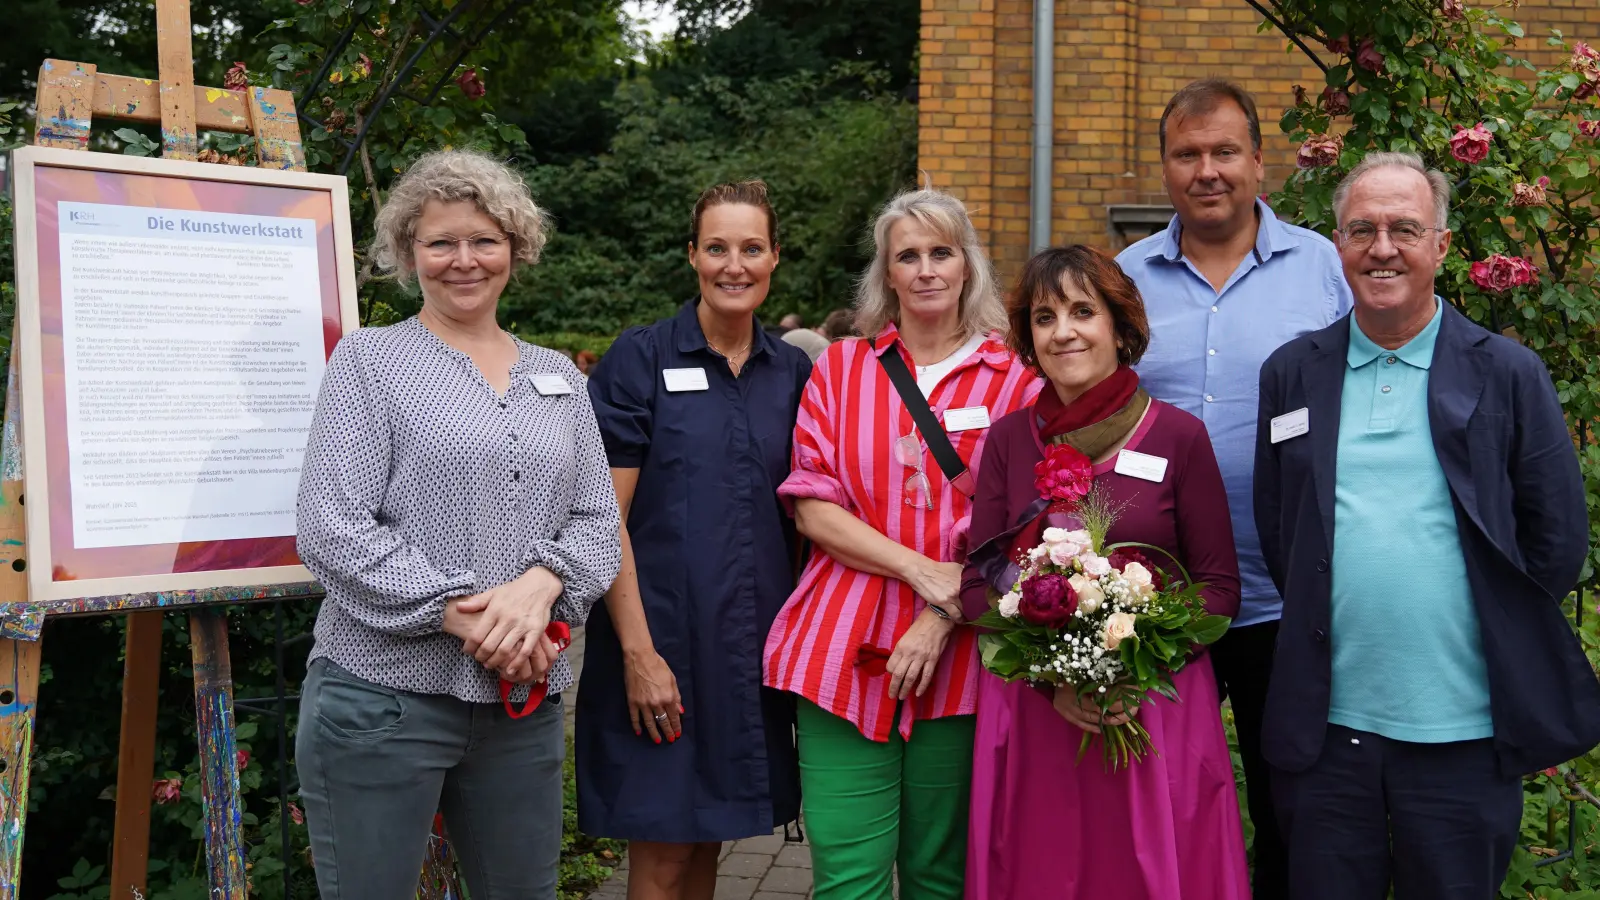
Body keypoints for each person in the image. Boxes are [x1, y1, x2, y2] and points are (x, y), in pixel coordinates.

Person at [1254, 151, 1600, 899]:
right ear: (1338, 244)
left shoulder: (1506, 372)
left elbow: (1556, 539)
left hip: (1463, 732)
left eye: (1405, 229)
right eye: (1362, 229)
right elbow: (1281, 527)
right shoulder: (1292, 372)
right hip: (1325, 732)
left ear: (1441, 245)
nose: (1383, 248)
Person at [295, 149, 622, 899]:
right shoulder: (369, 362)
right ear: (410, 254)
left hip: (522, 708)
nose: (463, 260)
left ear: (516, 247)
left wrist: (542, 587)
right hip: (384, 700)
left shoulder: (561, 378)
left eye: (485, 239)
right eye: (441, 241)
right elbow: (331, 525)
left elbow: (598, 521)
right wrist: (468, 616)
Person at [763, 188, 1040, 900]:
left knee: (940, 876)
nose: (925, 270)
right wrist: (922, 572)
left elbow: (1024, 522)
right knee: (848, 879)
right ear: (886, 272)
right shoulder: (842, 368)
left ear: (967, 264)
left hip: (965, 655)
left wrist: (944, 610)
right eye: (907, 256)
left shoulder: (1016, 380)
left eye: (940, 252)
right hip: (840, 648)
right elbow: (813, 507)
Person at [1113, 78, 1352, 898]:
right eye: (1187, 154)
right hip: (1151, 601)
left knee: (1292, 801)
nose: (1206, 170)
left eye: (1223, 152)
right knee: (1155, 801)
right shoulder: (1124, 279)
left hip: (1285, 595)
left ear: (1258, 160)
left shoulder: (1326, 269)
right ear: (1165, 167)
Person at [962, 246, 1249, 899]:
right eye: (1044, 316)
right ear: (1029, 340)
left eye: (1082, 311)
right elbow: (978, 584)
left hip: (1151, 711)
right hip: (1038, 715)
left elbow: (1218, 588)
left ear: (1119, 328)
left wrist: (1134, 662)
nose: (1063, 330)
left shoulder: (1178, 437)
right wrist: (1052, 676)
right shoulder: (1008, 441)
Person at [576, 181, 810, 900]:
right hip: (662, 646)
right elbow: (601, 517)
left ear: (774, 258)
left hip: (747, 652)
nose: (733, 265)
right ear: (692, 257)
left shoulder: (796, 373)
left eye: (750, 248)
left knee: (708, 841)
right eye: (717, 248)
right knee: (664, 853)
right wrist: (641, 657)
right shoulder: (639, 361)